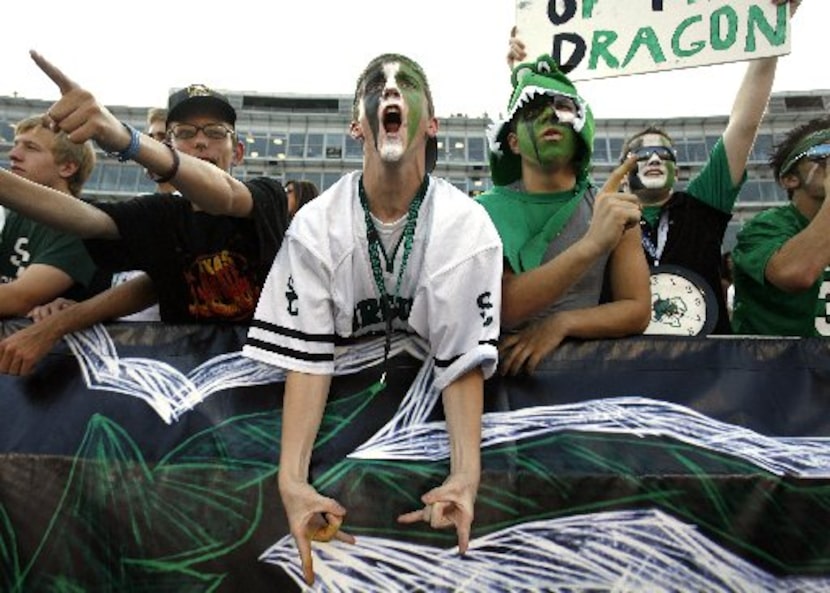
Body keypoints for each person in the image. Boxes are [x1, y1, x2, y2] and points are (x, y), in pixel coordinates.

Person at [243, 53, 503, 586]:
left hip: (418, 434)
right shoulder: (316, 227)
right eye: (375, 85)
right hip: (344, 431)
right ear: (357, 123)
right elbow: (308, 363)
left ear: (431, 122)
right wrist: (292, 480)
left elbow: (461, 366)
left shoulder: (465, 226)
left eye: (405, 83)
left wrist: (465, 477)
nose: (389, 90)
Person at [506, 0, 799, 336]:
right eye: (642, 154)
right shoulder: (595, 217)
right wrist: (526, 76)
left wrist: (769, 38)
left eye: (664, 152)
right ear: (622, 169)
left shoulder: (702, 207)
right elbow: (539, 157)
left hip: (708, 375)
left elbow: (743, 125)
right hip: (623, 369)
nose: (655, 158)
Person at [0, 52, 289, 375]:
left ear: (237, 151)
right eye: (185, 133)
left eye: (216, 132)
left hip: (271, 383)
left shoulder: (268, 195)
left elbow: (226, 195)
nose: (201, 143)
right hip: (191, 386)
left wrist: (125, 139)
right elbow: (87, 219)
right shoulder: (163, 215)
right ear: (171, 145)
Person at [476, 54, 650, 375]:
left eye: (561, 107)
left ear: (582, 130)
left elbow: (637, 310)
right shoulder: (481, 212)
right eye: (532, 111)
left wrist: (564, 323)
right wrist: (592, 245)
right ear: (513, 142)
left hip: (585, 382)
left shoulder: (612, 207)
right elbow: (503, 308)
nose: (548, 116)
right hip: (503, 387)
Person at [730, 116, 830, 336]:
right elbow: (796, 273)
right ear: (790, 179)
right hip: (779, 367)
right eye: (823, 154)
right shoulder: (766, 226)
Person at [0, 115, 107, 318]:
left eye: (30, 148)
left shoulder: (84, 222)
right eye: (16, 145)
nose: (13, 154)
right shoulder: (13, 216)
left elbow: (18, 299)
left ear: (67, 167)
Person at [144, 107, 176, 193]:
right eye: (150, 137)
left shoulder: (202, 202)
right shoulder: (146, 202)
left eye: (163, 137)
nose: (153, 144)